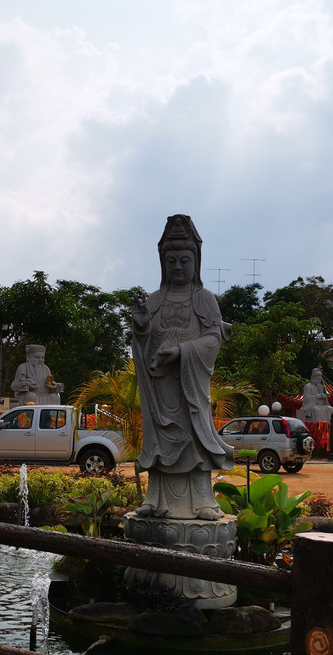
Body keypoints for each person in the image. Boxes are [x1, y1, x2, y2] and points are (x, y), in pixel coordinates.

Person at [131, 214, 234, 521]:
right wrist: (140, 328)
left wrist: (182, 351)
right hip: (163, 387)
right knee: (162, 441)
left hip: (190, 387)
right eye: (171, 260)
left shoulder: (204, 299)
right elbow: (143, 341)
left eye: (184, 260)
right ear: (163, 263)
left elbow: (214, 337)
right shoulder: (154, 300)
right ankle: (157, 498)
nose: (177, 267)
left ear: (196, 262)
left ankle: (202, 500)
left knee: (194, 441)